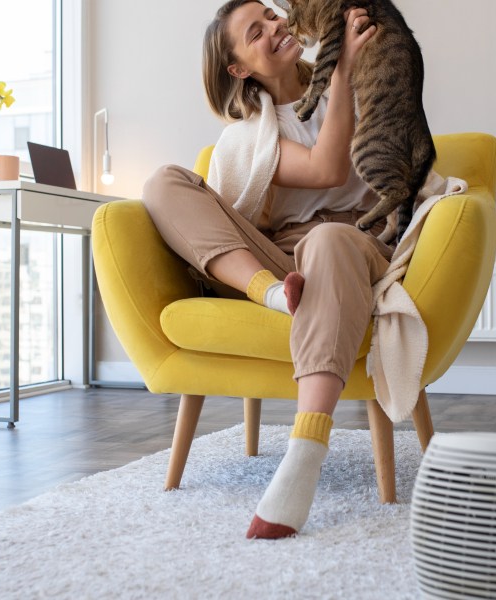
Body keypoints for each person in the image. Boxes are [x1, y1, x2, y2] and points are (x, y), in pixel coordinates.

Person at [142, 0, 384, 540]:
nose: (276, 25)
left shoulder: (356, 76)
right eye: (257, 31)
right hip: (281, 260)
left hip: (357, 241)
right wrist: (340, 69)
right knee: (162, 182)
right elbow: (326, 166)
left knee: (328, 238)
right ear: (239, 69)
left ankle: (305, 452)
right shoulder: (251, 136)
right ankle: (270, 293)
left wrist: (344, 66)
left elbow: (356, 161)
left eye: (274, 14)